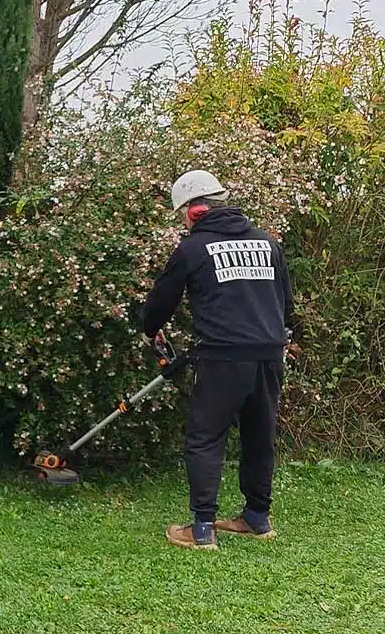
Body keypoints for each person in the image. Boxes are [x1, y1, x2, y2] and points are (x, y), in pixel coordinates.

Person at [141, 170, 294, 551]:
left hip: (223, 357)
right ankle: (257, 518)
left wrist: (150, 328)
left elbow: (163, 299)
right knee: (260, 435)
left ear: (194, 212)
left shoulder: (193, 249)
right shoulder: (268, 244)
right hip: (270, 355)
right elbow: (286, 304)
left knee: (205, 438)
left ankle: (203, 528)